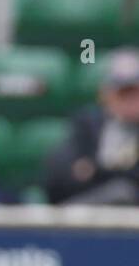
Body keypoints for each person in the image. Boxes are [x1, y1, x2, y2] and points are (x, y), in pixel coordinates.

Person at [45, 48, 139, 205]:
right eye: (123, 93)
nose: (131, 101)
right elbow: (56, 177)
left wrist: (94, 170)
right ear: (106, 94)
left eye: (135, 93)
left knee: (122, 192)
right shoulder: (87, 124)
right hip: (85, 209)